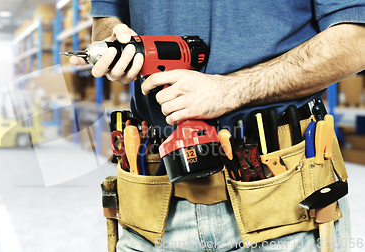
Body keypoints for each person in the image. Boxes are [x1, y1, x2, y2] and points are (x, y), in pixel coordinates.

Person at [71, 1, 365, 251]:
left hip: (285, 209)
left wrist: (230, 90)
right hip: (152, 199)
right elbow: (106, 16)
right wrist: (114, 41)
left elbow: (356, 39)